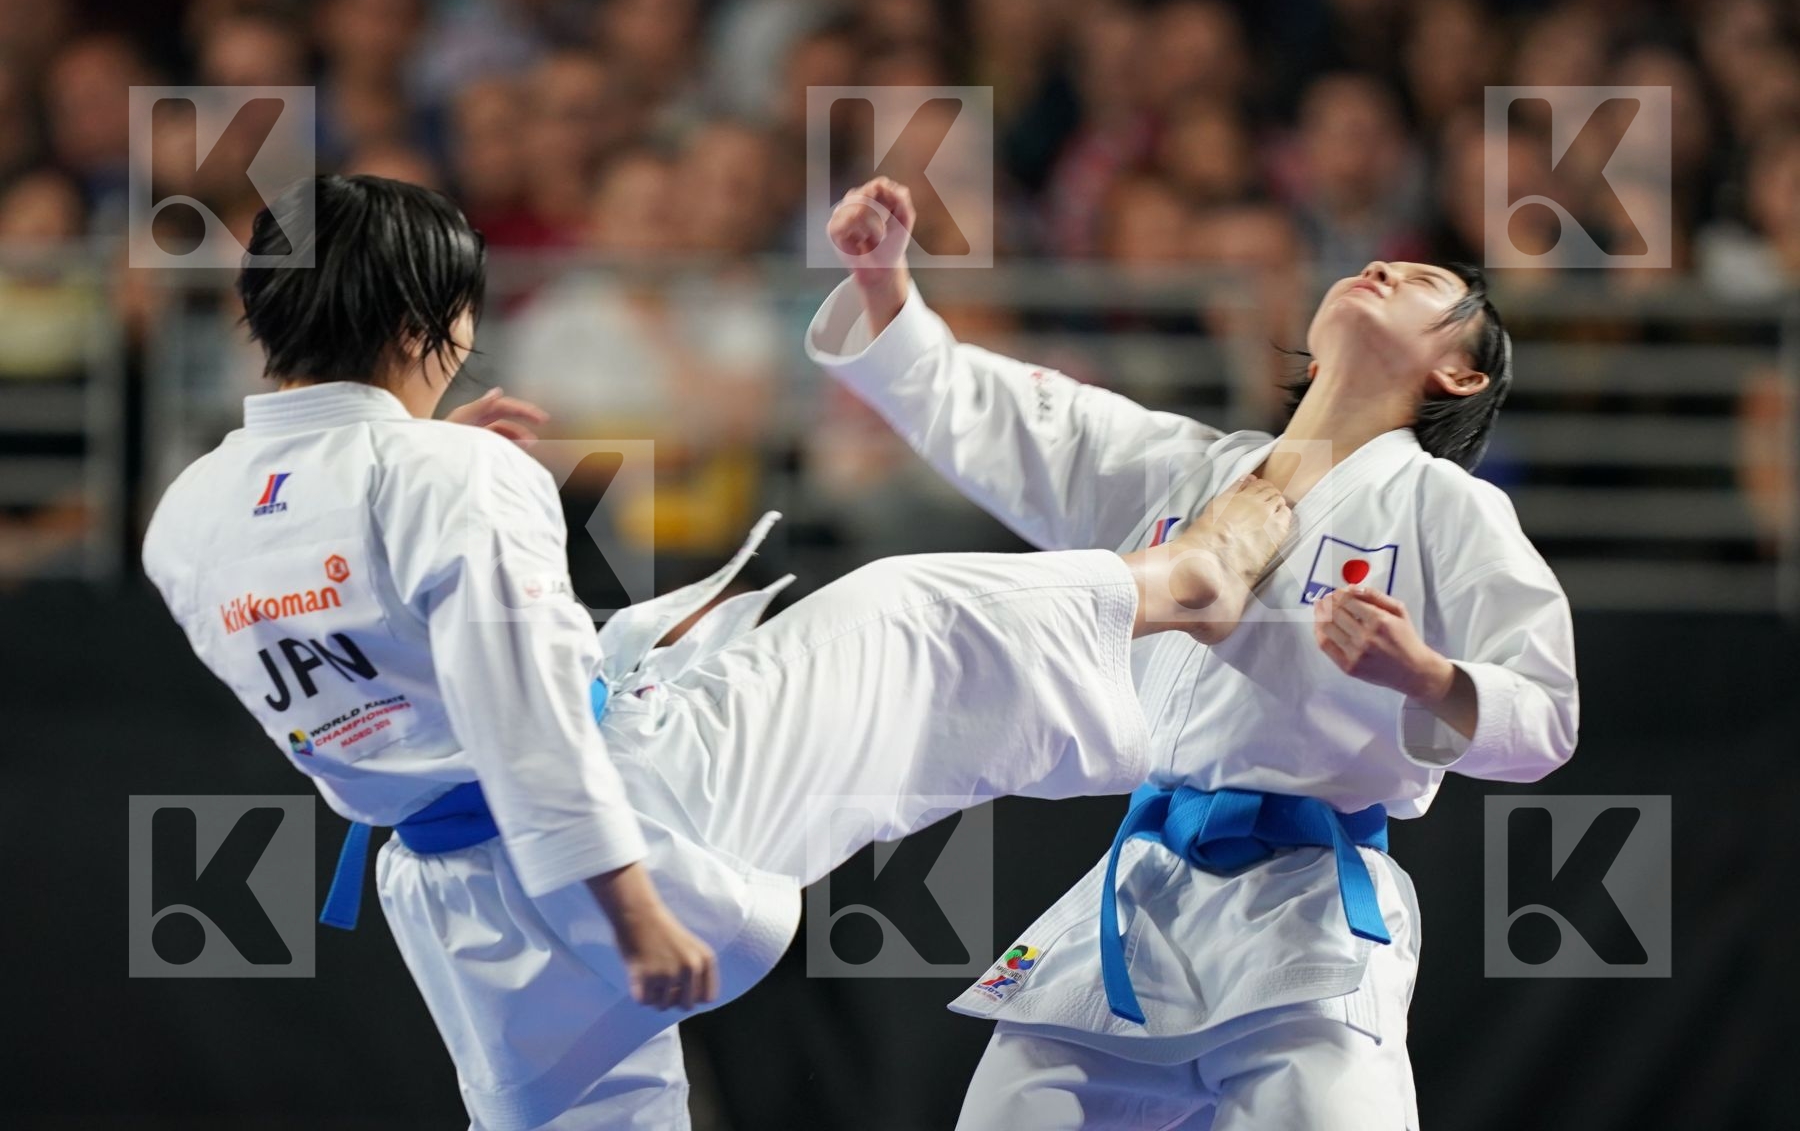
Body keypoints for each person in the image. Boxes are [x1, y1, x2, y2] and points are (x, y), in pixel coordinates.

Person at [140, 174, 1296, 1130]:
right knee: (907, 620)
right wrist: (631, 909)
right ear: (421, 323)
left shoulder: (188, 515)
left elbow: (380, 651)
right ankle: (1183, 581)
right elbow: (526, 723)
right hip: (629, 825)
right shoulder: (447, 475)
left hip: (453, 907)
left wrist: (429, 460)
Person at [810, 178, 1580, 1130]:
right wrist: (887, 291)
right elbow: (1026, 421)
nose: (1380, 266)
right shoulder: (1190, 469)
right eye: (1378, 262)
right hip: (1140, 894)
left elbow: (1546, 719)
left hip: (1305, 914)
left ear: (1459, 375)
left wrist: (1421, 672)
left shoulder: (1445, 505)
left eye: (1422, 279)